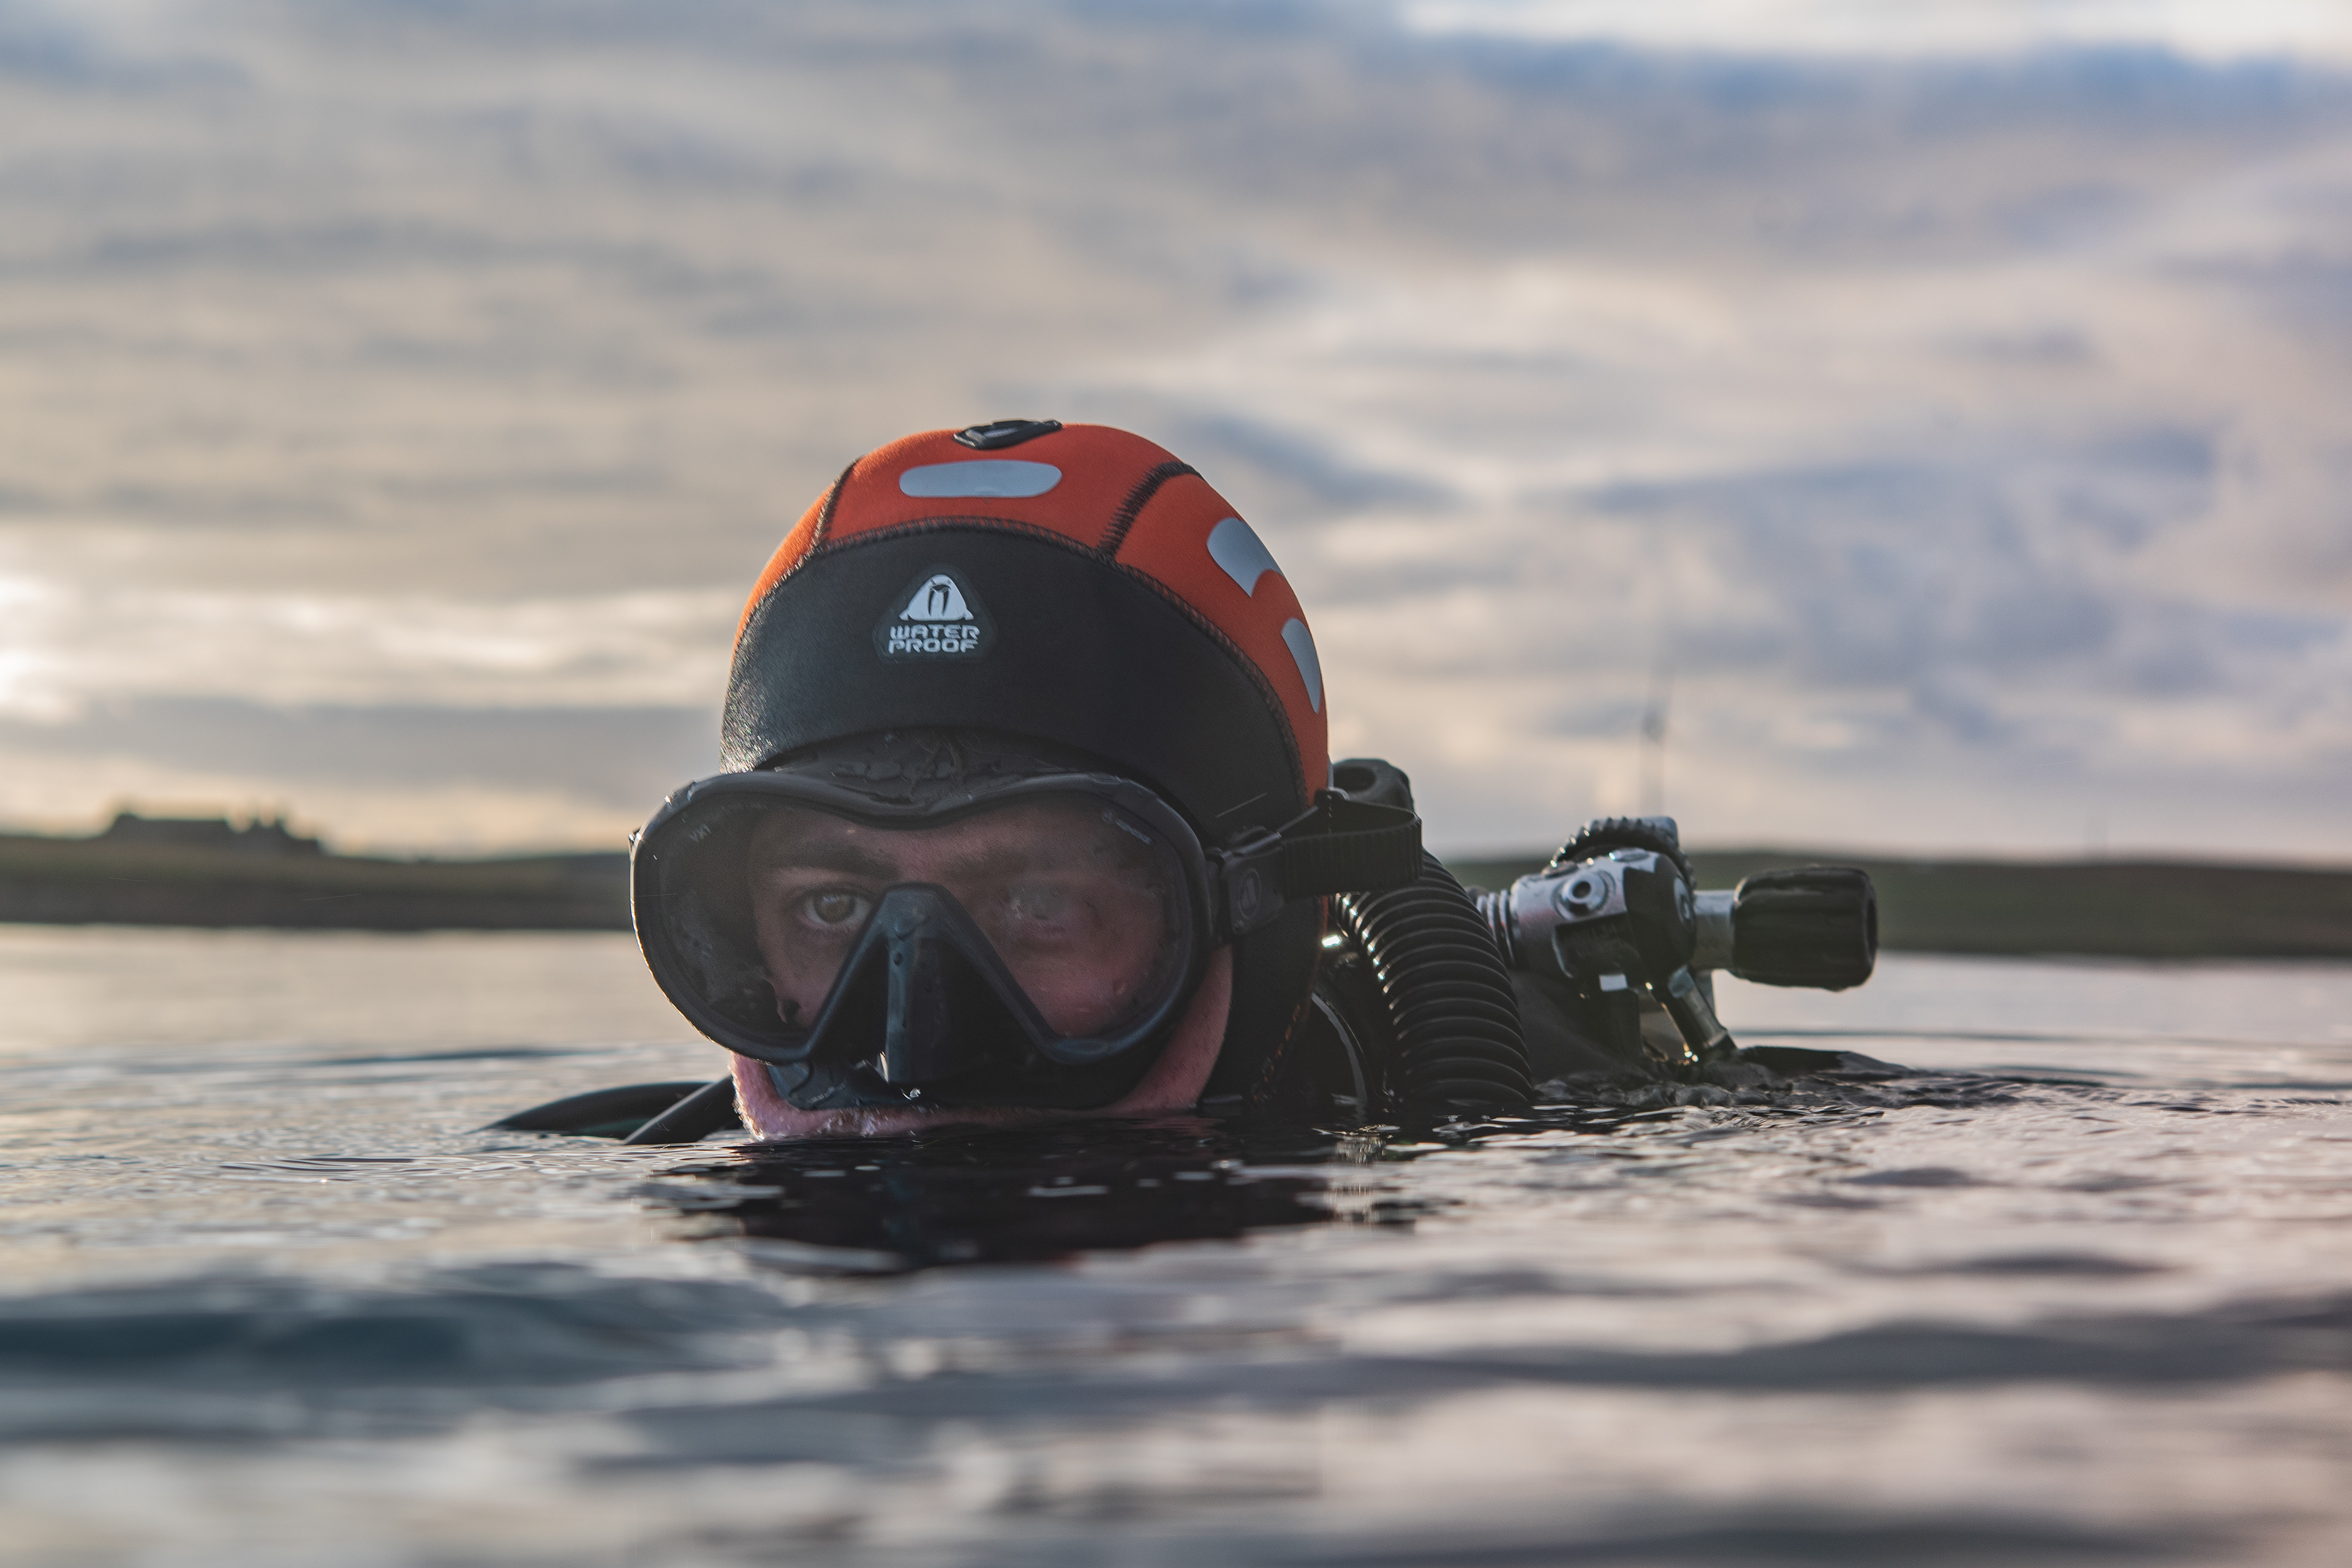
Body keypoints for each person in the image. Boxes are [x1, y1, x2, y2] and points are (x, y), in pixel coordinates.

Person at [503, 420, 1874, 1147]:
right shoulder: (635, 1161)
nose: (915, 1044)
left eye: (1039, 898)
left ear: (1251, 910)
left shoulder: (1501, 1133)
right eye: (828, 909)